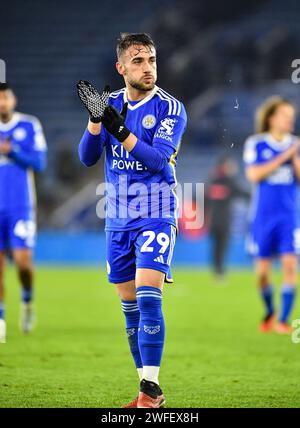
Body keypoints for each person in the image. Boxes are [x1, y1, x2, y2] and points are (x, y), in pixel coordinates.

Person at [77, 33, 187, 408]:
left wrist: (118, 128)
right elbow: (88, 158)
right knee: (129, 308)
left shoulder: (171, 108)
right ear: (121, 68)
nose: (147, 68)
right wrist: (96, 121)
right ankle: (146, 391)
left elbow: (158, 160)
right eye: (138, 62)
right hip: (118, 217)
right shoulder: (107, 104)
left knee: (147, 295)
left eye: (152, 60)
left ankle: (151, 388)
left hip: (156, 212)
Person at [243, 96, 300, 334]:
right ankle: (270, 311)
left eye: (292, 117)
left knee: (289, 266)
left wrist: (294, 157)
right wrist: (284, 156)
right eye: (286, 116)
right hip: (263, 217)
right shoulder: (256, 143)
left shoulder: (296, 144)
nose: (290, 120)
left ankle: (284, 321)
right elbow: (254, 175)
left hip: (290, 217)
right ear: (272, 118)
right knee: (263, 274)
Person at [0, 82, 47, 343]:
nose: (2, 103)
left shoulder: (29, 125)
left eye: (5, 97)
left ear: (13, 99)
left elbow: (39, 163)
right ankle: (1, 319)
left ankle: (27, 300)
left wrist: (13, 151)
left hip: (20, 207)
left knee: (22, 263)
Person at [206, 155, 249, 281]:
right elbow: (244, 193)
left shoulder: (212, 181)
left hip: (213, 220)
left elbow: (202, 198)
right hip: (224, 221)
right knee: (222, 247)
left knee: (216, 247)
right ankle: (219, 271)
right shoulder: (230, 182)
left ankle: (217, 271)